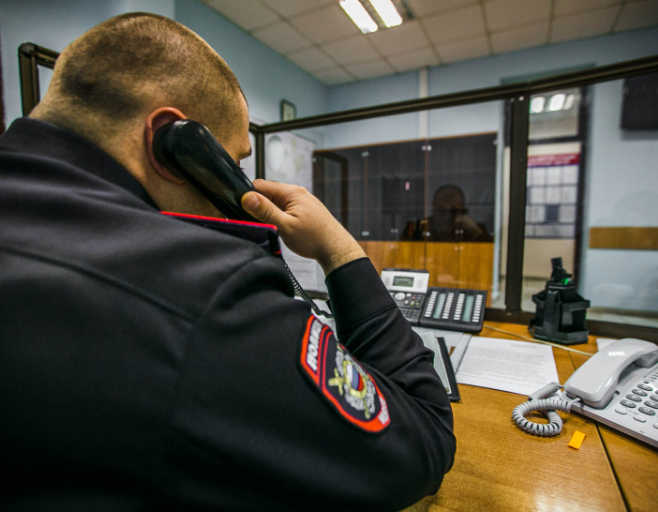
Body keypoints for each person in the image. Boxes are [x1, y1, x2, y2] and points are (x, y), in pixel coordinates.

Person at [0, 13, 455, 511]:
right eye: (232, 165)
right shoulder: (197, 289)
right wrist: (338, 250)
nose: (239, 185)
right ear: (173, 146)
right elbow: (422, 443)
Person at [401, 184, 491, 242]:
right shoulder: (416, 228)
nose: (447, 214)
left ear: (462, 209)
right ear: (433, 206)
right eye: (442, 210)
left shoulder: (472, 230)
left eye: (452, 210)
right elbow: (397, 255)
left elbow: (492, 256)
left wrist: (475, 231)